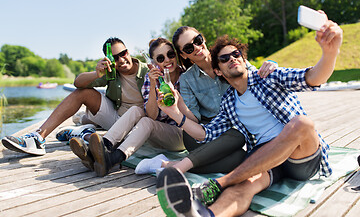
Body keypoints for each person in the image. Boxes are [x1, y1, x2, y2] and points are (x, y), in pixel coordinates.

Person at [156, 11, 343, 217]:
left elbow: (312, 77)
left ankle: (218, 183)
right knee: (241, 188)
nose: (232, 59)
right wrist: (173, 112)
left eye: (236, 55)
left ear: (244, 59)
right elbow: (204, 134)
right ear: (218, 71)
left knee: (302, 123)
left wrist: (329, 53)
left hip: (302, 156)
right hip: (267, 157)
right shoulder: (229, 102)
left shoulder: (269, 77)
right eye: (225, 59)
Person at [135, 26, 278, 175]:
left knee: (239, 155)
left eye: (197, 40)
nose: (197, 47)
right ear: (183, 55)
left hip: (237, 131)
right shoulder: (187, 78)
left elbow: (259, 78)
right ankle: (177, 164)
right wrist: (179, 103)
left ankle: (168, 164)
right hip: (207, 132)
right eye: (189, 48)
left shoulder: (228, 59)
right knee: (231, 142)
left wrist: (272, 65)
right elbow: (194, 119)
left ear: (203, 38)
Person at [1, 37, 149, 156]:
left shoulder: (147, 71)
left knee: (87, 121)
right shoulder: (112, 72)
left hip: (139, 125)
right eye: (115, 58)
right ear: (110, 59)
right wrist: (96, 74)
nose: (121, 60)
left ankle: (81, 130)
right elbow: (78, 83)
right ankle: (38, 138)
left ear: (128, 52)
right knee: (83, 93)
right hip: (116, 118)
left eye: (123, 54)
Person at [81, 37, 193, 177]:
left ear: (176, 55)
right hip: (159, 133)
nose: (167, 60)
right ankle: (104, 148)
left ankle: (101, 156)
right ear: (154, 62)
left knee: (146, 122)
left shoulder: (187, 77)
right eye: (160, 58)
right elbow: (152, 115)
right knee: (136, 110)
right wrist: (153, 85)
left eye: (170, 55)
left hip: (181, 134)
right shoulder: (150, 78)